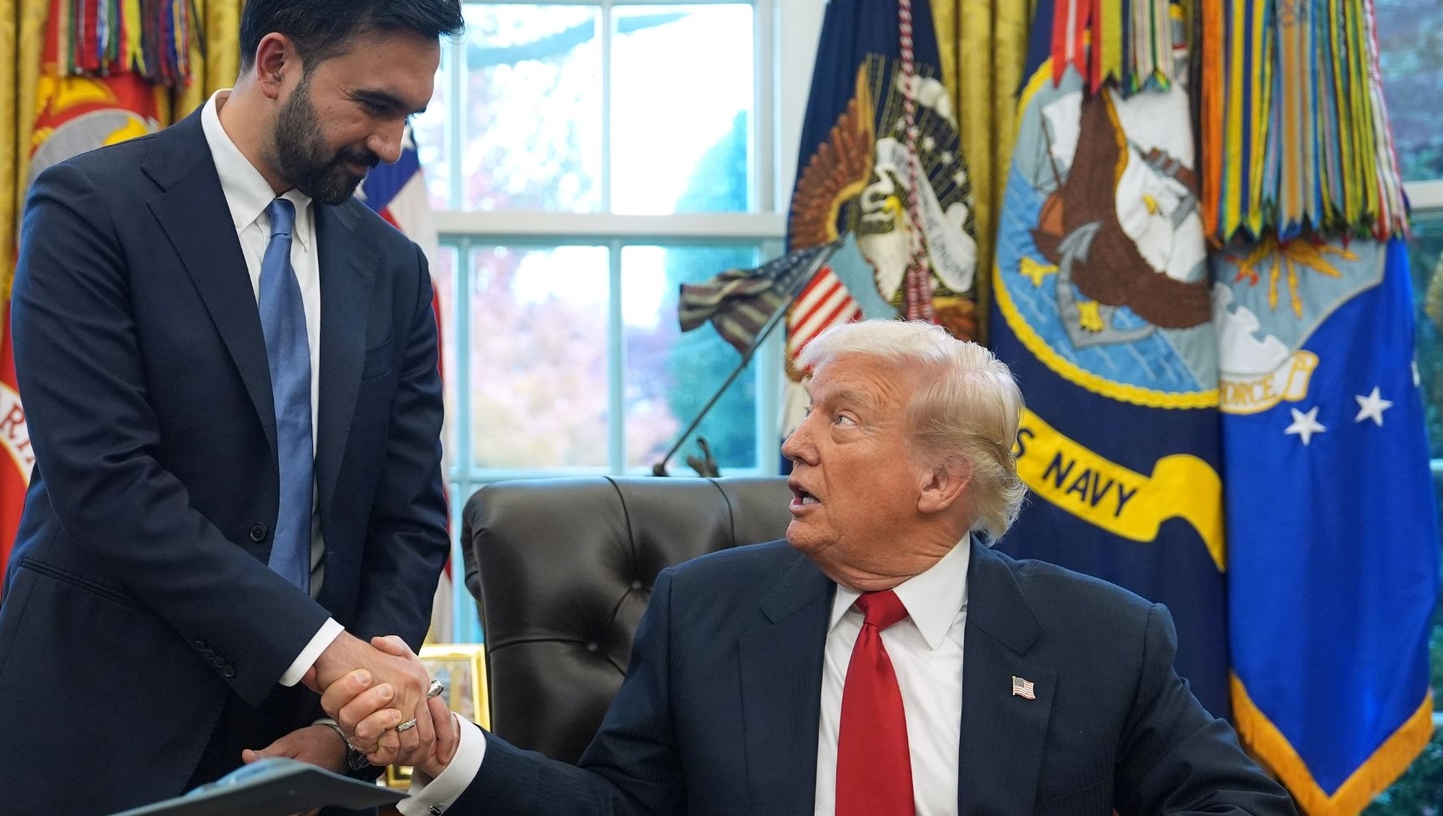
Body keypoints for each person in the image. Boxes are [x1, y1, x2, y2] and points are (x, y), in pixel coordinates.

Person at [324, 319, 1296, 816]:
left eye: (842, 419)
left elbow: (1242, 805)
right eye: (805, 414)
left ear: (941, 480)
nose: (794, 443)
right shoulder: (702, 612)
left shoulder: (1100, 638)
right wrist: (448, 748)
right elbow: (615, 810)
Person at [0, 0, 463, 813]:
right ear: (276, 62)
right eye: (375, 105)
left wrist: (347, 720)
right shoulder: (90, 210)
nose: (389, 146)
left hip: (304, 750)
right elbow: (108, 484)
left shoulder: (393, 267)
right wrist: (326, 654)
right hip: (93, 740)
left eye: (408, 117)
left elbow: (410, 518)